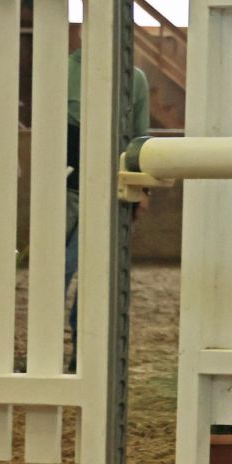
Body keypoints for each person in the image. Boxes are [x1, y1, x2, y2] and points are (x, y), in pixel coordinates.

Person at [64, 48, 150, 369]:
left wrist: (141, 188)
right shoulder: (63, 68)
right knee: (61, 269)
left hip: (110, 189)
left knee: (96, 274)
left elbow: (139, 136)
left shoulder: (135, 79)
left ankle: (82, 353)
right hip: (66, 187)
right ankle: (49, 350)